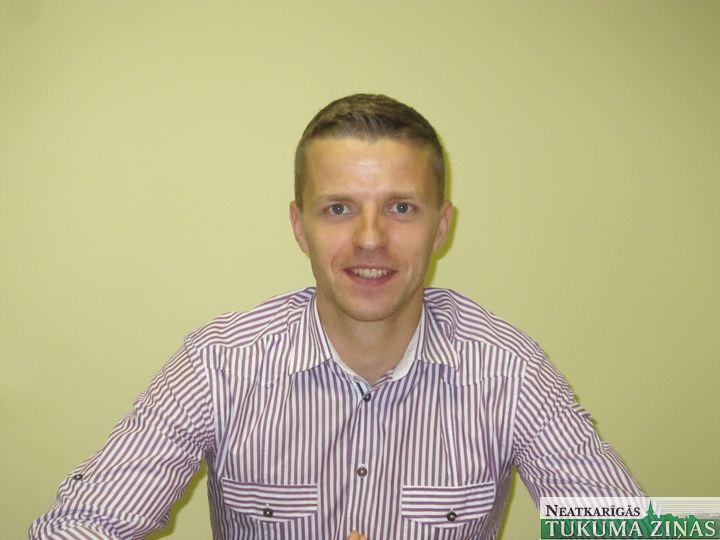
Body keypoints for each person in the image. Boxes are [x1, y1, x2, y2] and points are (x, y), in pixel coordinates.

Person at [30, 94, 643, 539]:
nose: (370, 239)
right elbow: (82, 524)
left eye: (400, 208)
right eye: (339, 209)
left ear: (441, 227)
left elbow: (629, 528)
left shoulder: (510, 370)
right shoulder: (218, 364)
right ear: (300, 227)